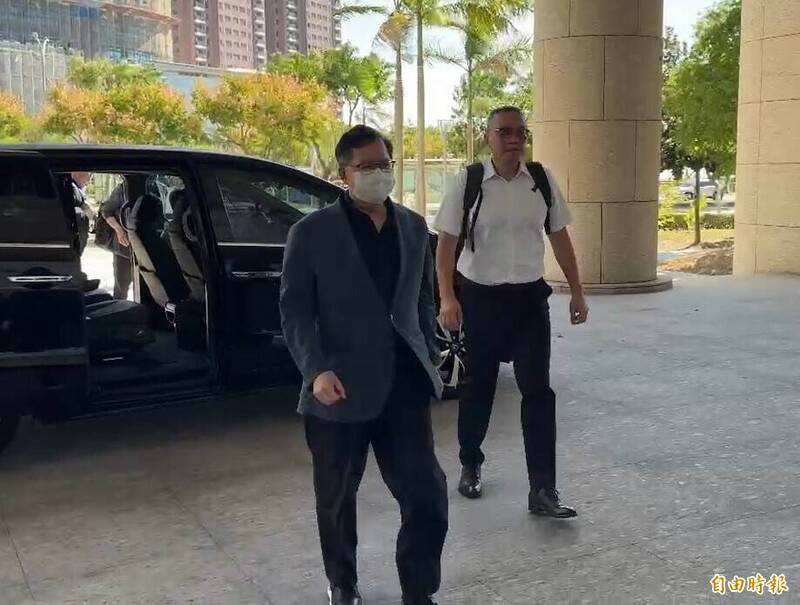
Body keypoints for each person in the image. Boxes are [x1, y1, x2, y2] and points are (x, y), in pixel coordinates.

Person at [280, 125, 448, 605]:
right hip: (338, 387)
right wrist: (315, 370)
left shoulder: (413, 226)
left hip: (403, 384)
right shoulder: (311, 233)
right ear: (344, 173)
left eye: (384, 164)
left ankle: (418, 589)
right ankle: (343, 583)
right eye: (367, 166)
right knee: (336, 498)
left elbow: (421, 300)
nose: (378, 174)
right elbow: (295, 310)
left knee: (426, 494)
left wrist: (428, 350)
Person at [434, 106, 589, 518]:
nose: (514, 139)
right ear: (488, 137)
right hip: (480, 300)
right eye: (504, 131)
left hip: (529, 301)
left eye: (520, 131)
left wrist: (577, 291)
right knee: (479, 388)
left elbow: (560, 237)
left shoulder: (540, 180)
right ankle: (470, 463)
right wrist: (447, 297)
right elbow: (445, 244)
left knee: (538, 391)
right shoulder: (469, 181)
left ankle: (543, 489)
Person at [97, 183, 133, 300]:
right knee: (121, 285)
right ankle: (119, 307)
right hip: (123, 245)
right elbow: (106, 210)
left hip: (144, 243)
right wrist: (119, 230)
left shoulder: (155, 184)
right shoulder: (122, 189)